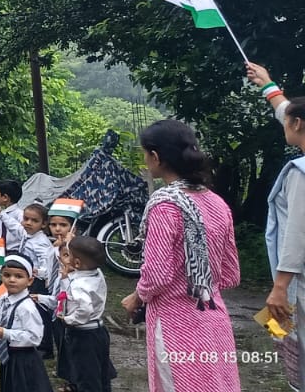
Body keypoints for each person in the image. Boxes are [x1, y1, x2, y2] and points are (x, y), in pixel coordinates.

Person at [120, 119, 241, 392]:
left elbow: (157, 276)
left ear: (156, 156)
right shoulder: (216, 202)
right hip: (214, 317)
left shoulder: (165, 206)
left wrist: (137, 296)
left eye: (145, 153)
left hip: (176, 323)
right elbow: (231, 273)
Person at [248, 61, 305, 392]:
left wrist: (280, 287)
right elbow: (286, 109)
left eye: (287, 120)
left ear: (297, 124)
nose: (283, 121)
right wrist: (268, 84)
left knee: (295, 344)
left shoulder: (299, 173)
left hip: (298, 279)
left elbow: (297, 232)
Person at [41, 236, 116, 392]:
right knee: (101, 374)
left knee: (86, 377)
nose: (65, 259)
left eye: (69, 255)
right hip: (99, 331)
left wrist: (69, 319)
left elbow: (85, 308)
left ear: (77, 263)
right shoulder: (96, 273)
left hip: (83, 335)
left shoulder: (79, 286)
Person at [0, 255, 51, 392]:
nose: (12, 280)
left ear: (29, 280)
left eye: (18, 276)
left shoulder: (27, 308)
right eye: (7, 275)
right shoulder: (5, 299)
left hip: (24, 359)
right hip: (9, 356)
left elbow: (34, 336)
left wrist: (6, 333)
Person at [20, 204, 57, 295]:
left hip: (36, 280)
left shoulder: (41, 241)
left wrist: (39, 272)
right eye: (26, 219)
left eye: (34, 221)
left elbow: (47, 260)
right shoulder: (27, 235)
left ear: (44, 224)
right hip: (27, 275)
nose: (28, 223)